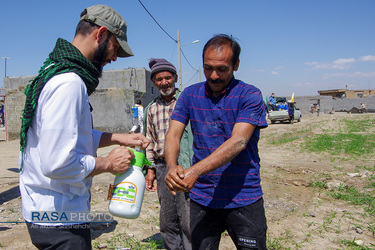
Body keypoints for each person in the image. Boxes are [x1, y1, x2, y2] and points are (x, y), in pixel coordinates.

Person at [18, 5, 149, 249]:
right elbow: (58, 163)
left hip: (49, 210)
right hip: (59, 216)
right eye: (116, 47)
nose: (114, 57)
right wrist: (110, 163)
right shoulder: (70, 83)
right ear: (100, 34)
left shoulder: (55, 69)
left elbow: (74, 136)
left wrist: (119, 138)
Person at [164, 34, 268, 249]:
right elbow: (173, 134)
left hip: (243, 196)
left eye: (222, 69)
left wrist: (194, 171)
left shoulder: (249, 95)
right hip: (203, 199)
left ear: (235, 65)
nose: (213, 75)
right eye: (208, 68)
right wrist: (172, 166)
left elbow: (239, 141)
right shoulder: (190, 95)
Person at [143, 58, 193, 250]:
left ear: (175, 78)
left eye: (167, 77)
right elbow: (149, 140)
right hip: (163, 167)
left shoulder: (186, 101)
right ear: (154, 82)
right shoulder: (151, 109)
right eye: (159, 79)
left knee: (187, 214)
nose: (164, 82)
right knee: (167, 217)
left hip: (185, 166)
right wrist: (151, 169)